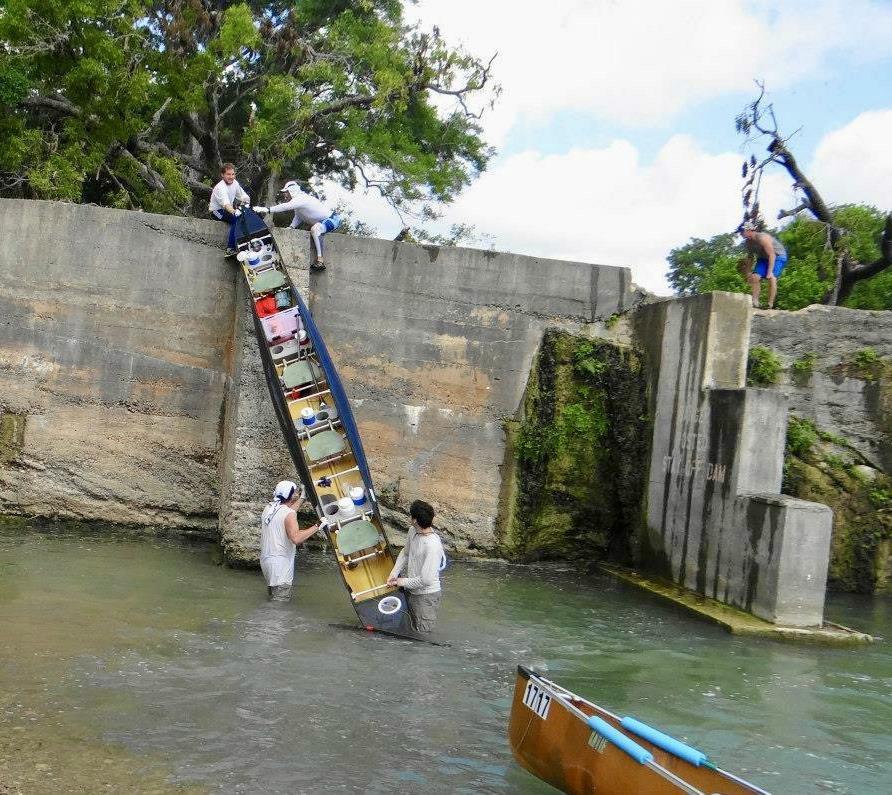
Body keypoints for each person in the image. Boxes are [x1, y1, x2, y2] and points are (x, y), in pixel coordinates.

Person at [253, 182, 341, 271]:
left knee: (315, 229)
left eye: (286, 193)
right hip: (322, 222)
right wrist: (291, 227)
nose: (284, 195)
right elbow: (298, 216)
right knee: (313, 229)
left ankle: (320, 261)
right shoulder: (298, 202)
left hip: (331, 219)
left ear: (292, 191)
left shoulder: (301, 198)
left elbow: (285, 206)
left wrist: (267, 209)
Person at [386, 500, 444, 632]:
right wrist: (394, 574)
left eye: (410, 515)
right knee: (410, 629)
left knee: (423, 635)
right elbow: (405, 553)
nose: (409, 517)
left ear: (415, 520)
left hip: (426, 595)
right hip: (412, 589)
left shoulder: (432, 546)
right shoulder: (413, 531)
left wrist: (402, 581)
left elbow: (426, 580)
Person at [260, 480, 322, 601]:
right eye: (295, 493)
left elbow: (287, 512)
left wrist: (303, 498)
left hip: (267, 563)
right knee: (280, 605)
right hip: (280, 567)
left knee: (272, 598)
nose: (296, 494)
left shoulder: (269, 509)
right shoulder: (288, 514)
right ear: (290, 495)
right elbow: (296, 538)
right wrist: (318, 526)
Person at [739, 222, 788, 309]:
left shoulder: (762, 238)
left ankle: (770, 304)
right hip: (763, 258)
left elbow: (772, 255)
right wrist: (748, 272)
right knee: (755, 277)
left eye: (742, 231)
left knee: (771, 278)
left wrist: (769, 272)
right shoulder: (748, 243)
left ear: (749, 230)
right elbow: (750, 258)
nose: (741, 234)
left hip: (778, 256)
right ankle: (755, 302)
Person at [209, 163, 250, 256]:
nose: (231, 177)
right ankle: (230, 248)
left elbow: (244, 197)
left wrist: (245, 206)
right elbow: (226, 204)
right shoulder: (220, 187)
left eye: (233, 174)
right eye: (228, 174)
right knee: (237, 219)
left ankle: (244, 246)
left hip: (228, 209)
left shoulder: (235, 183)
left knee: (245, 218)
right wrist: (235, 212)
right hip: (217, 211)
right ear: (222, 175)